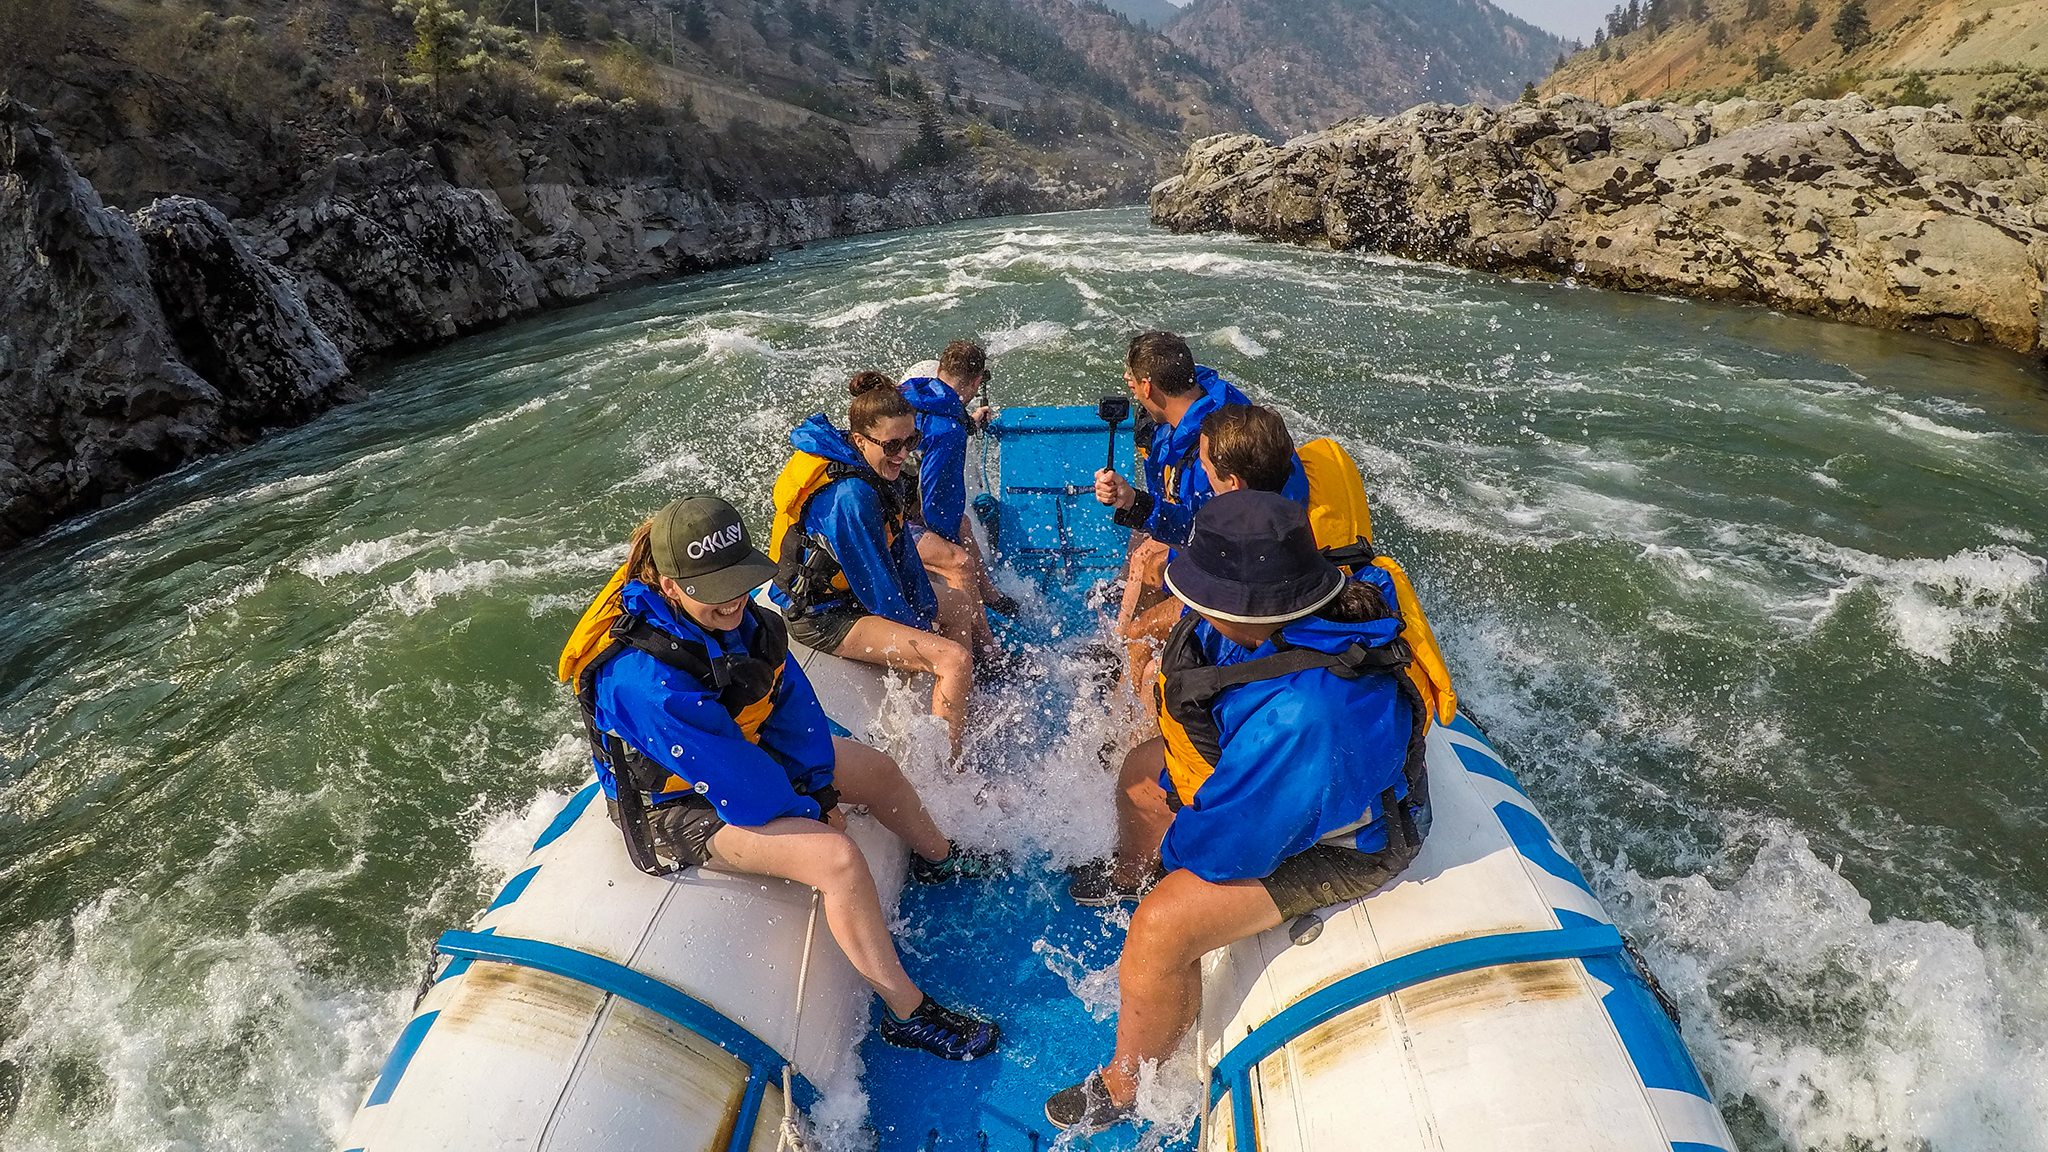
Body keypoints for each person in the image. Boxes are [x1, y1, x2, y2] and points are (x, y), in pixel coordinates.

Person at [558, 495, 1001, 1061]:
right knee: (836, 860)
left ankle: (938, 858)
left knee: (880, 773)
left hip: (741, 749)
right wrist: (816, 811)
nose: (732, 600)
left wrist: (819, 784)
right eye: (714, 590)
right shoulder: (642, 681)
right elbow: (730, 779)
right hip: (681, 807)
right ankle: (906, 1013)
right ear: (671, 587)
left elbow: (788, 702)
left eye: (739, 581)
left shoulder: (742, 620)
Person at [1046, 492, 1430, 1132]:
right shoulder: (1285, 619)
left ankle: (1127, 1080)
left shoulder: (1307, 714)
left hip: (1349, 842)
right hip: (1270, 782)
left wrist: (1177, 862)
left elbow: (1233, 845)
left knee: (1161, 926)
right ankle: (1129, 871)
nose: (1189, 603)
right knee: (1142, 774)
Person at [769, 372, 992, 757]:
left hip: (852, 596)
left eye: (911, 441)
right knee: (952, 659)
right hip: (824, 615)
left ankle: (967, 702)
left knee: (959, 605)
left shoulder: (877, 470)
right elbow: (878, 590)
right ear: (860, 440)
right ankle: (949, 767)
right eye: (892, 444)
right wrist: (924, 636)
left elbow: (903, 551)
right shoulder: (850, 499)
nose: (903, 454)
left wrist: (926, 610)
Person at [1198, 404, 1458, 729]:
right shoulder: (1316, 497)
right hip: (1353, 638)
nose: (1203, 472)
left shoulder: (1256, 562)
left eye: (1205, 466)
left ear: (1233, 482)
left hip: (1296, 681)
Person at [1093, 333, 1309, 679]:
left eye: (1132, 379)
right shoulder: (1216, 403)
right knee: (1144, 559)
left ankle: (1127, 721)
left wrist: (1137, 503)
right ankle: (1116, 655)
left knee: (1140, 643)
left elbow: (1207, 538)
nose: (1127, 383)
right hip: (1245, 551)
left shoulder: (1214, 454)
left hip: (1245, 580)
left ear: (1148, 387)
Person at [899, 341, 1018, 618]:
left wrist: (969, 423)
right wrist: (949, 544)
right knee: (959, 561)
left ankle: (990, 596)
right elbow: (936, 504)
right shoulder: (949, 432)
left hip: (888, 499)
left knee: (963, 522)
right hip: (889, 518)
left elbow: (934, 419)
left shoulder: (913, 392)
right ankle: (986, 647)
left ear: (939, 370)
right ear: (977, 383)